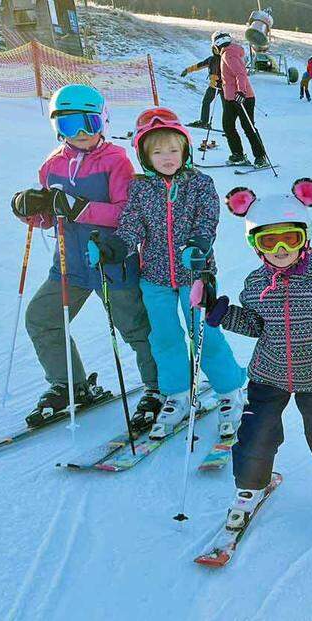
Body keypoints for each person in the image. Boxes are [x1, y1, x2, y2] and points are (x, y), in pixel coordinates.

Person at [196, 179, 312, 542]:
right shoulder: (253, 284)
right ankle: (251, 486)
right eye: (269, 241)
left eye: (290, 239)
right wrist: (222, 314)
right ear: (255, 245)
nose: (281, 249)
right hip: (268, 373)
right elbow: (255, 324)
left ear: (305, 239)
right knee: (256, 431)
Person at [9, 84, 161, 429]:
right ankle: (69, 385)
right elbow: (51, 215)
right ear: (55, 127)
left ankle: (158, 389)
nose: (80, 134)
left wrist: (79, 209)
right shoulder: (51, 166)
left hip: (112, 263)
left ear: (102, 122)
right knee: (41, 318)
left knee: (135, 329)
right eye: (68, 125)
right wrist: (31, 210)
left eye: (88, 123)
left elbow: (127, 213)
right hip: (69, 265)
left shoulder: (116, 161)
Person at [94, 107, 248, 440]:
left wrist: (200, 243)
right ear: (144, 155)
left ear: (185, 151)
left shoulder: (201, 184)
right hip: (155, 279)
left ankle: (230, 390)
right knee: (164, 337)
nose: (167, 157)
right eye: (158, 151)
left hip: (196, 275)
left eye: (173, 150)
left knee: (204, 334)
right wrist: (116, 248)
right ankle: (177, 394)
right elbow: (132, 224)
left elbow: (208, 220)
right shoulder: (140, 188)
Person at [215, 31, 270, 168]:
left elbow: (241, 74)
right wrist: (222, 83)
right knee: (228, 126)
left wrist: (241, 91)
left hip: (242, 97)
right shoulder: (228, 53)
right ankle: (238, 155)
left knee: (248, 127)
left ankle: (260, 157)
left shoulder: (229, 54)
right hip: (231, 98)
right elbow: (232, 76)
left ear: (216, 44)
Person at [179, 42, 222, 129]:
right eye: (214, 49)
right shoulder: (211, 59)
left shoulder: (225, 60)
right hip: (213, 86)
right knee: (206, 102)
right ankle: (204, 122)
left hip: (225, 87)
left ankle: (229, 127)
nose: (215, 51)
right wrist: (187, 70)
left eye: (217, 49)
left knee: (227, 106)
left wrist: (222, 80)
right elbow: (199, 65)